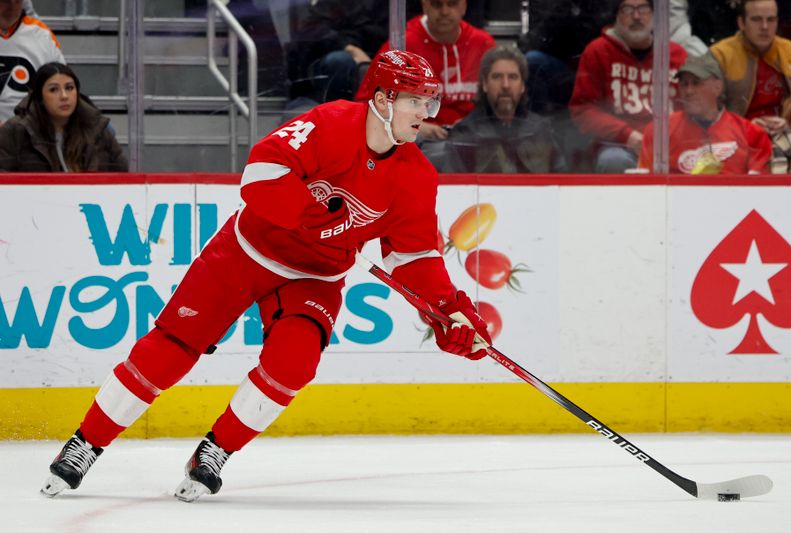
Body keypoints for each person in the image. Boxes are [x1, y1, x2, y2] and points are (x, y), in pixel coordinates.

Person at [40, 50, 492, 502]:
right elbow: (259, 174)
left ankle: (214, 451)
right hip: (247, 251)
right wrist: (307, 213)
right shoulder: (329, 124)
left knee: (293, 364)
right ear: (381, 98)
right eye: (416, 101)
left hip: (316, 276)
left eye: (429, 103)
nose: (425, 114)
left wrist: (447, 309)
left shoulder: (416, 177)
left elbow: (413, 256)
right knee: (172, 349)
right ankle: (86, 442)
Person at [569, 0, 688, 173]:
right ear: (616, 15)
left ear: (656, 15)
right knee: (613, 161)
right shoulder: (597, 51)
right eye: (627, 9)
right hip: (619, 146)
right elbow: (582, 109)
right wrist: (626, 135)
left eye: (643, 9)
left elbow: (691, 107)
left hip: (671, 146)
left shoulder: (676, 55)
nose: (636, 16)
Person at [355, 0, 496, 141]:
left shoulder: (483, 44)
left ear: (464, 6)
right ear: (425, 6)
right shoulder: (403, 45)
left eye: (452, 4)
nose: (444, 12)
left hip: (474, 139)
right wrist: (417, 126)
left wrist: (475, 123)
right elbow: (367, 105)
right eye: (436, 4)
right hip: (420, 142)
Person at [638, 53, 773, 174]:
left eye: (697, 83)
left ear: (717, 87)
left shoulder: (752, 135)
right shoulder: (659, 132)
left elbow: (758, 191)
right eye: (684, 84)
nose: (689, 91)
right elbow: (647, 188)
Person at [443, 45, 565, 173]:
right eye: (497, 77)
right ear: (484, 84)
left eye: (512, 77)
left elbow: (562, 184)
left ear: (523, 85)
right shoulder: (465, 133)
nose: (505, 85)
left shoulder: (541, 130)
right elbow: (455, 188)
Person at [0, 62, 127, 172]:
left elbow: (124, 179)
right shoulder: (15, 131)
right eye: (54, 90)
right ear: (40, 98)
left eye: (70, 88)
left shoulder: (99, 129)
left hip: (91, 200)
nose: (64, 96)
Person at [709, 0, 791, 137]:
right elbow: (706, 112)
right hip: (737, 138)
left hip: (789, 136)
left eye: (770, 20)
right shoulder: (719, 56)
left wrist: (790, 126)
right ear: (741, 23)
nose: (764, 27)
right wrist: (746, 127)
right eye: (756, 19)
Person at [0, 0, 65, 123]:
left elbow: (62, 85)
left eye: (17, 2)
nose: (12, 7)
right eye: (5, 1)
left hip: (32, 131)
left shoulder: (42, 35)